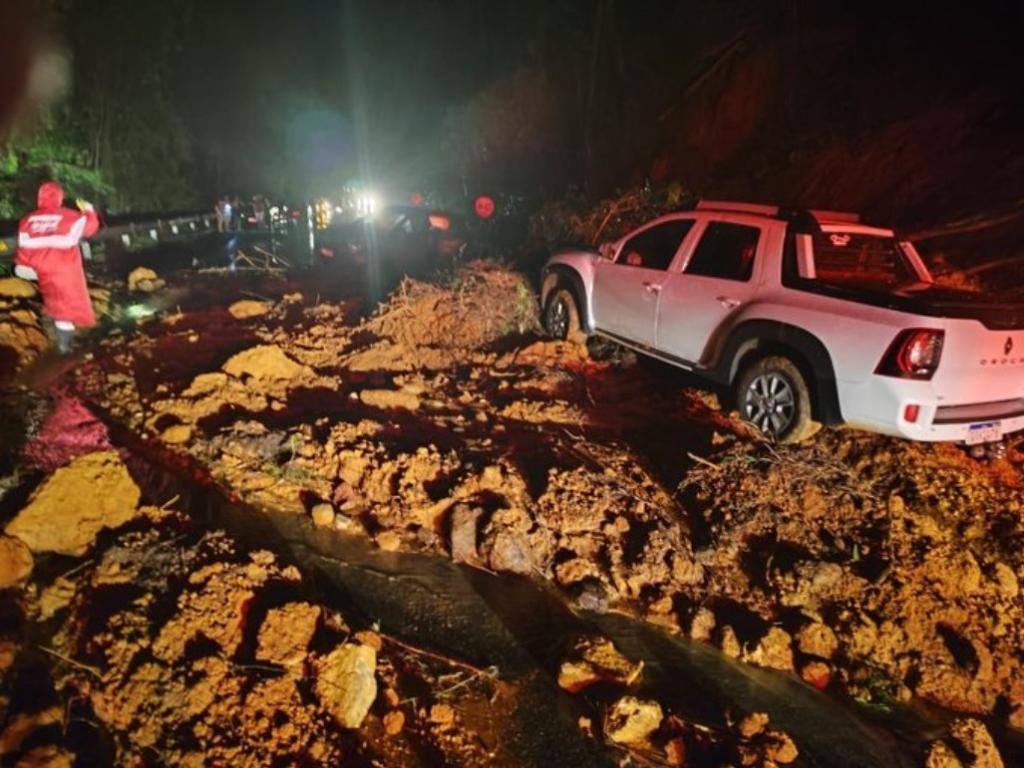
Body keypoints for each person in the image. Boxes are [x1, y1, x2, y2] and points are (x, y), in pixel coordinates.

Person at [14, 181, 101, 354]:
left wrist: (25, 265)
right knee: (67, 304)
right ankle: (64, 346)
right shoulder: (70, 216)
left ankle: (56, 329)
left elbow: (23, 247)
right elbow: (91, 227)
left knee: (53, 296)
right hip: (63, 267)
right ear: (59, 198)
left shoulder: (27, 220)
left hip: (34, 266)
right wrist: (88, 209)